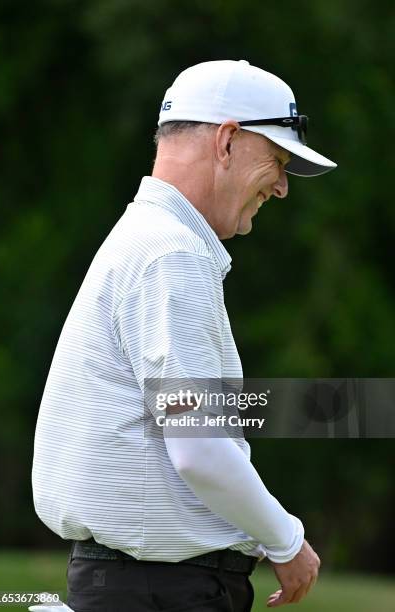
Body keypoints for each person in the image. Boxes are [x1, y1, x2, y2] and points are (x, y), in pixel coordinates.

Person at [32, 59, 336, 612]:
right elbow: (199, 447)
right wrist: (287, 541)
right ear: (226, 142)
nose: (284, 187)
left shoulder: (145, 240)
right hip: (165, 593)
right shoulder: (173, 255)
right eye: (278, 160)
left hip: (135, 587)